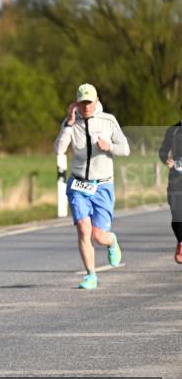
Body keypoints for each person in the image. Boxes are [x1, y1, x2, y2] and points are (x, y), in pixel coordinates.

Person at [54, 83, 130, 289]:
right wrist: (68, 124)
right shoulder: (71, 123)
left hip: (102, 185)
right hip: (78, 184)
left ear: (96, 101)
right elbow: (59, 149)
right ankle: (91, 275)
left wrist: (109, 146)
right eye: (82, 103)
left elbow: (125, 149)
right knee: (83, 228)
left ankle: (111, 241)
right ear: (76, 104)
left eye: (89, 102)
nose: (86, 106)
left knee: (98, 236)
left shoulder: (108, 121)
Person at [157, 104, 182, 264]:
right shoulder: (172, 130)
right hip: (176, 179)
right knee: (176, 215)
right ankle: (181, 242)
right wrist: (166, 159)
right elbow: (162, 151)